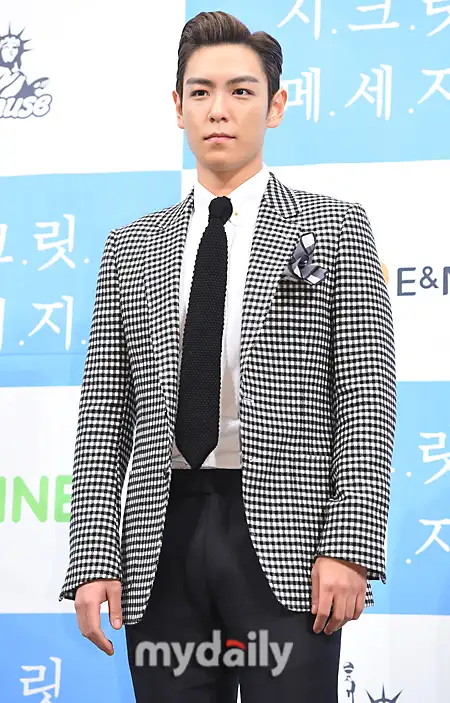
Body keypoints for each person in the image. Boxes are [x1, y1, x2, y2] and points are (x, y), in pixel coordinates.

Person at [59, 10, 397, 703]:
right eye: (202, 91)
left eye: (242, 91)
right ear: (177, 106)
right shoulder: (131, 247)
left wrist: (350, 545)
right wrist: (93, 556)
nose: (220, 109)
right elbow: (104, 414)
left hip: (290, 542)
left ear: (275, 106)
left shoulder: (335, 226)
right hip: (160, 541)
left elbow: (366, 396)